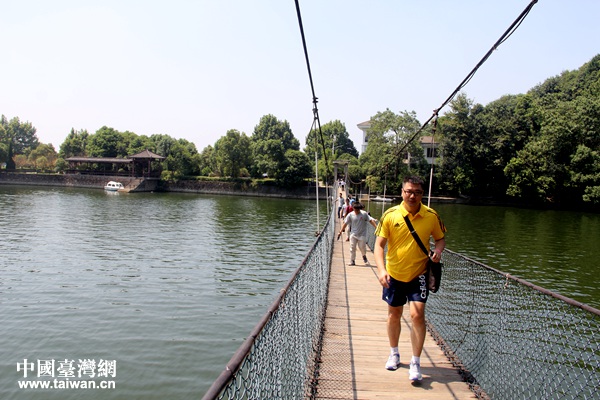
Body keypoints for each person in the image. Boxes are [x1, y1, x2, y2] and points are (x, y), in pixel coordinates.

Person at [374, 175, 446, 382]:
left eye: (417, 192)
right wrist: (381, 270)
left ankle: (415, 361)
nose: (412, 195)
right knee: (394, 314)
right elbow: (379, 245)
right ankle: (394, 353)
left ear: (422, 194)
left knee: (417, 315)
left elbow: (440, 239)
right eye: (408, 191)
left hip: (419, 275)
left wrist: (438, 251)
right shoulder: (390, 215)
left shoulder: (431, 216)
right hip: (394, 275)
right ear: (402, 192)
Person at [338, 202, 378, 266]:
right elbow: (345, 223)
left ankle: (364, 255)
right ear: (353, 209)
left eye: (358, 210)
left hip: (362, 234)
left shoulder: (364, 214)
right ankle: (352, 261)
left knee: (362, 248)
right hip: (353, 234)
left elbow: (370, 220)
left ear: (360, 209)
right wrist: (340, 231)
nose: (357, 211)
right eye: (355, 210)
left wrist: (376, 227)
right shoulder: (350, 215)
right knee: (352, 247)